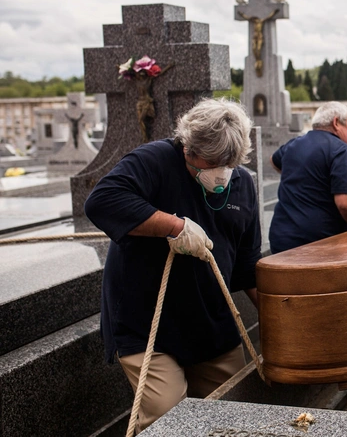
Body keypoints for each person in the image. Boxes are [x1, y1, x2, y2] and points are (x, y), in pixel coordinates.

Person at [85, 98, 261, 433]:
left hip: (212, 324)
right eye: (208, 164)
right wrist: (174, 226)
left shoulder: (243, 184)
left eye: (227, 164)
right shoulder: (154, 160)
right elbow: (102, 201)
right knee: (168, 419)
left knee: (235, 415)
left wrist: (276, 316)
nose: (218, 173)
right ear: (186, 148)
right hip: (148, 325)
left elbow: (247, 264)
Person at [269, 101, 347, 253]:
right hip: (320, 245)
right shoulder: (341, 151)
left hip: (281, 239)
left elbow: (273, 160)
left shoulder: (294, 144)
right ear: (336, 123)